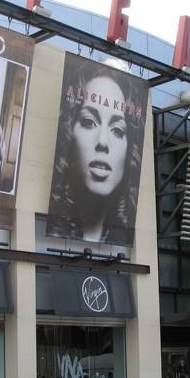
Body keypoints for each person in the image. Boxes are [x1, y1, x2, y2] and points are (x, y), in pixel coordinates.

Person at [47, 59, 146, 244]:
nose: (102, 142)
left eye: (117, 130)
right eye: (89, 122)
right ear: (69, 133)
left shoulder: (126, 236)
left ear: (129, 148)